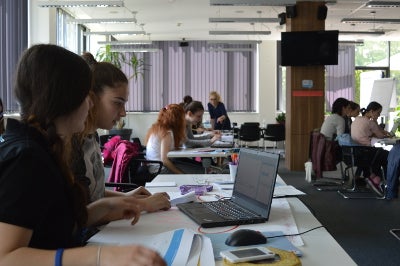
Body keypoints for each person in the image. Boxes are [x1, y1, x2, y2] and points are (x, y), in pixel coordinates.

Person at [0, 44, 165, 266]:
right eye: (85, 95)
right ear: (65, 98)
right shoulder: (26, 159)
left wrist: (99, 209)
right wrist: (100, 256)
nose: (90, 104)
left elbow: (50, 225)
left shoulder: (46, 148)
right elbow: (6, 257)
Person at [71, 52, 170, 214]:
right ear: (91, 99)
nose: (123, 113)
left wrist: (129, 197)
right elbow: (80, 213)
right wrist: (140, 205)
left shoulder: (91, 137)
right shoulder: (71, 145)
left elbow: (94, 195)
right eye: (118, 103)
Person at [145, 104, 203, 174]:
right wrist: (181, 174)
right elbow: (165, 160)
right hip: (159, 169)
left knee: (198, 169)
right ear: (177, 119)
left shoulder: (161, 127)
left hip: (160, 165)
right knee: (198, 172)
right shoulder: (166, 132)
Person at [351, 101, 390, 196]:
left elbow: (366, 132)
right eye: (378, 112)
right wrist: (376, 122)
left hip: (355, 152)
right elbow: (380, 135)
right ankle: (382, 181)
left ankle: (374, 178)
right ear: (372, 111)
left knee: (381, 154)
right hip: (366, 153)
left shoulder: (357, 119)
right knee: (388, 156)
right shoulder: (370, 122)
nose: (379, 114)